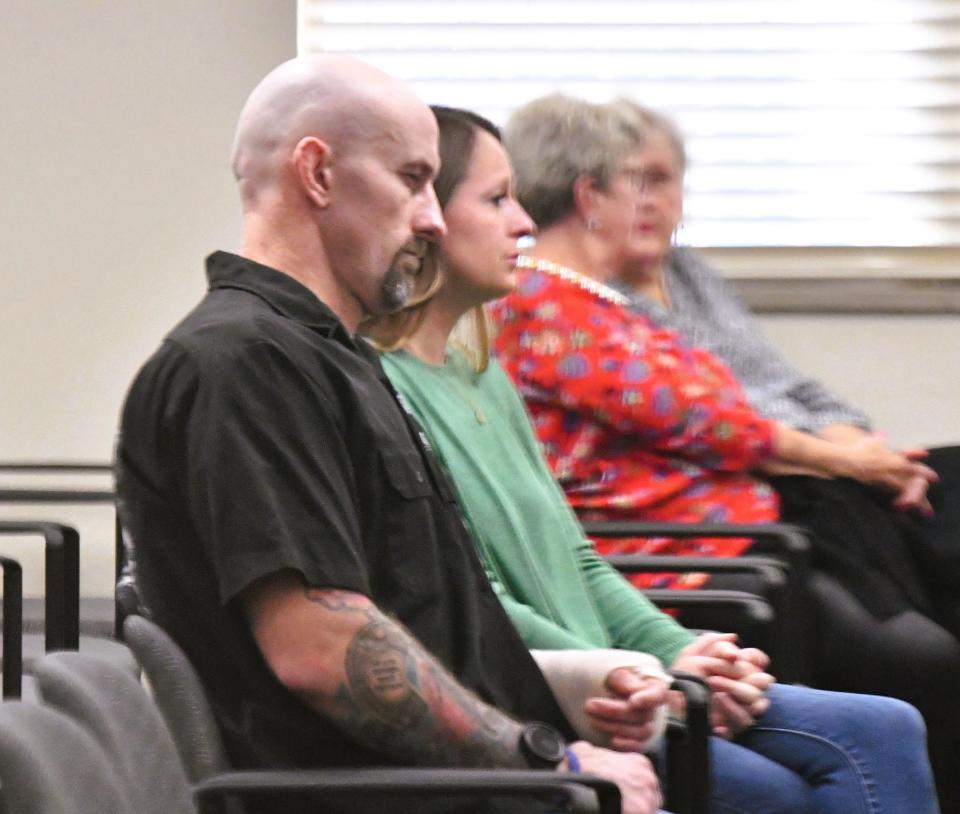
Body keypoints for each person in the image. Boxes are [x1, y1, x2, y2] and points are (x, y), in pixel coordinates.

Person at [113, 56, 663, 814]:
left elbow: (421, 619)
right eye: (412, 179)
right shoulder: (244, 366)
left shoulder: (337, 358)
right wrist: (550, 760)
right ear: (317, 173)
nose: (433, 219)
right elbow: (322, 650)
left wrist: (573, 688)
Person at [368, 103, 941, 814]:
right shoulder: (389, 388)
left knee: (889, 721)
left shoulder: (479, 367)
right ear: (427, 217)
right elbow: (475, 600)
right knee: (808, 768)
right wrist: (651, 667)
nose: (524, 222)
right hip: (585, 676)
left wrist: (680, 649)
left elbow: (577, 560)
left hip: (646, 640)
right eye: (497, 200)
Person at [607, 98, 960, 633]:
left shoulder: (690, 273)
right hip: (773, 485)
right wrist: (849, 461)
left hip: (826, 460)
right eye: (627, 182)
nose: (646, 200)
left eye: (660, 180)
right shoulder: (596, 304)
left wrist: (865, 449)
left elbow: (786, 381)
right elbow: (721, 427)